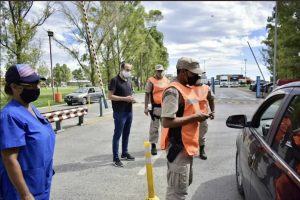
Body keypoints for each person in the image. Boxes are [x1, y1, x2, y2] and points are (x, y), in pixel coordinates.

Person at [0, 64, 56, 200]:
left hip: (40, 182)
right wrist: (25, 195)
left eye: (37, 83)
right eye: (30, 85)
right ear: (14, 87)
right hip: (22, 190)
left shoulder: (32, 109)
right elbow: (10, 159)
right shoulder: (10, 116)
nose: (36, 88)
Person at [160, 57, 210, 200]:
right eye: (194, 73)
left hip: (188, 147)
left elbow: (190, 110)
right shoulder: (173, 91)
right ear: (183, 72)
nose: (197, 77)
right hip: (179, 148)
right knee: (177, 193)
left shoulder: (187, 89)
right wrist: (196, 118)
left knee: (184, 185)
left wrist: (201, 114)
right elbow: (166, 122)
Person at [108, 62, 136, 168]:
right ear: (122, 69)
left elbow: (129, 93)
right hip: (119, 112)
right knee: (117, 135)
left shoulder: (129, 80)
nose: (129, 72)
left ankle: (124, 153)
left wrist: (131, 99)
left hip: (129, 111)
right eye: (127, 69)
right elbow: (110, 96)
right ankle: (115, 158)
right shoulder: (114, 80)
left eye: (130, 70)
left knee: (126, 133)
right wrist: (125, 99)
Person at [144, 64, 170, 155]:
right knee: (154, 128)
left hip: (166, 107)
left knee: (167, 127)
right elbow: (147, 94)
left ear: (163, 71)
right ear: (155, 71)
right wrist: (146, 107)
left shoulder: (167, 80)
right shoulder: (151, 80)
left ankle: (166, 143)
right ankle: (153, 146)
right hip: (155, 108)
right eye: (158, 71)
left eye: (161, 71)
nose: (160, 72)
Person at [193, 76, 215, 160]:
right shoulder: (188, 87)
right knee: (189, 135)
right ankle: (190, 151)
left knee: (201, 135)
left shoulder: (207, 88)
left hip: (203, 116)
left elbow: (211, 99)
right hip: (190, 116)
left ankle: (201, 150)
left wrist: (213, 112)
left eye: (198, 77)